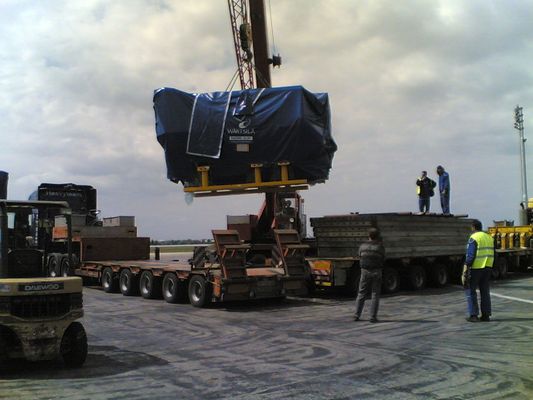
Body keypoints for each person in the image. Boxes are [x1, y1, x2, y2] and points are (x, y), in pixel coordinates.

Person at [462, 220, 494, 322]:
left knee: (470, 291)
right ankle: (486, 315)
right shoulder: (489, 237)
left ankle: (474, 315)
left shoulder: (474, 238)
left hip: (476, 268)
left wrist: (466, 267)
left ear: (473, 227)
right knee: (485, 291)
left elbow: (471, 255)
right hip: (487, 267)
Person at [354, 228, 385, 323]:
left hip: (364, 271)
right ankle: (373, 317)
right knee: (375, 294)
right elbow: (383, 258)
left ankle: (356, 315)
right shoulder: (380, 247)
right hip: (376, 271)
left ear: (368, 236)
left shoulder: (362, 246)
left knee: (361, 293)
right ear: (378, 236)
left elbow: (359, 256)